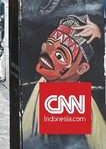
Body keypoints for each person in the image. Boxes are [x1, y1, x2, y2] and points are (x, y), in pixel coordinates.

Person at [22, 14, 106, 148]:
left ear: (82, 68)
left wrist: (100, 33)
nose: (46, 50)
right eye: (49, 43)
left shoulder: (70, 99)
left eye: (60, 55)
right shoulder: (30, 91)